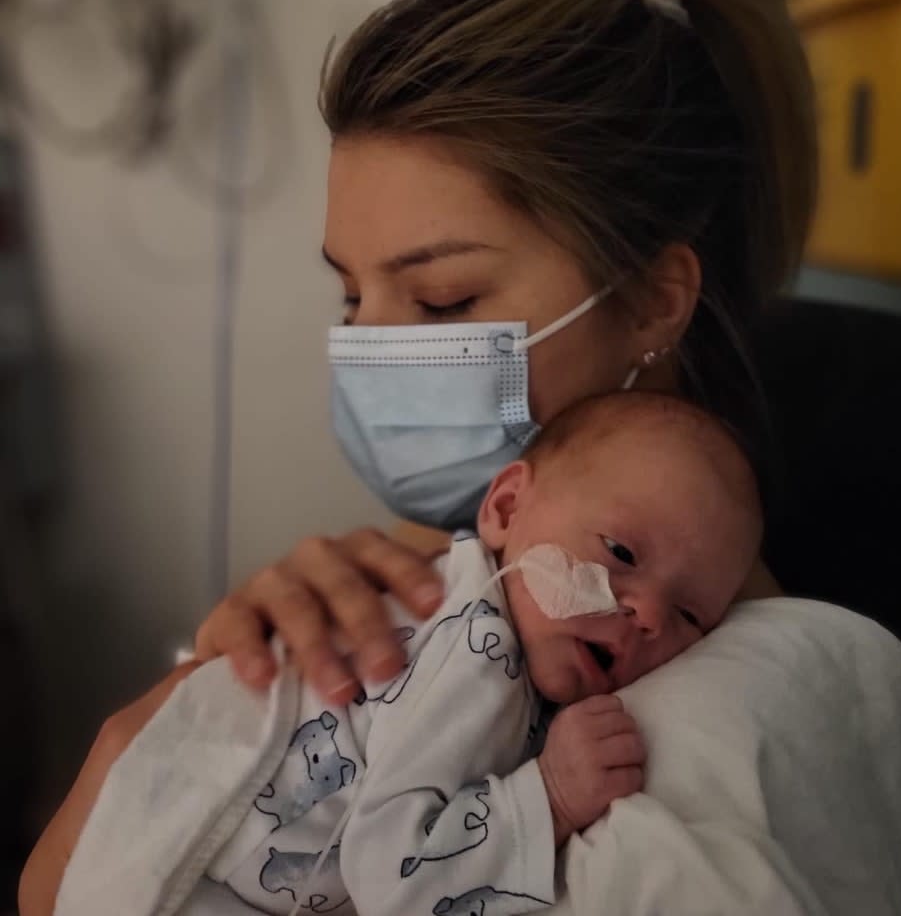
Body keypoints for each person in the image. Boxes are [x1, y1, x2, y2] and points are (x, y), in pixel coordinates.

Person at [21, 0, 817, 914]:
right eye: (353, 298)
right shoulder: (431, 567)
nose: (377, 350)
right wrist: (208, 719)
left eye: (440, 301)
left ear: (654, 299)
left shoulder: (733, 691)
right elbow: (56, 881)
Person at [53, 391, 763, 916]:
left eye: (692, 616)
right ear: (507, 510)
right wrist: (545, 797)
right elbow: (396, 879)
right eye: (621, 553)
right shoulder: (479, 650)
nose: (646, 615)